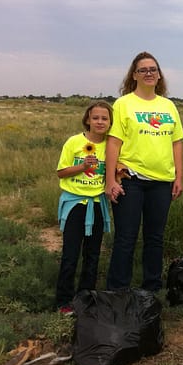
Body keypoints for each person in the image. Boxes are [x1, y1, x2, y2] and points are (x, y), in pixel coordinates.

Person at [104, 51, 183, 292]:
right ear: (134, 75)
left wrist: (178, 177)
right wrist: (110, 179)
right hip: (131, 180)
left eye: (153, 69)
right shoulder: (123, 104)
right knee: (125, 239)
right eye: (143, 70)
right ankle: (118, 291)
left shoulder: (168, 106)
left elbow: (176, 142)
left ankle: (151, 290)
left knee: (155, 238)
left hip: (162, 182)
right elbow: (113, 142)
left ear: (159, 75)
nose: (149, 73)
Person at [55, 100, 113, 314]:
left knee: (93, 254)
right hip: (75, 204)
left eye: (104, 118)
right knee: (71, 254)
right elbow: (61, 172)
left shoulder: (111, 144)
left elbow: (114, 170)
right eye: (95, 117)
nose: (99, 122)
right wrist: (82, 167)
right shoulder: (73, 142)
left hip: (97, 204)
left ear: (110, 122)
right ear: (87, 119)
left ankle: (86, 298)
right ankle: (63, 302)